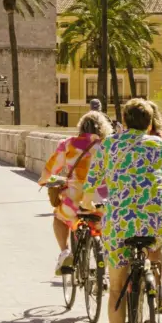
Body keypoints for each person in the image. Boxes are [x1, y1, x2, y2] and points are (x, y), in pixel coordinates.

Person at [82, 98, 162, 323]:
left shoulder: (110, 144)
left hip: (120, 223)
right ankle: (160, 289)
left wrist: (87, 204)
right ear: (150, 123)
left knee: (116, 286)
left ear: (123, 122)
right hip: (156, 218)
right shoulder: (158, 144)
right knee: (156, 244)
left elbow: (92, 181)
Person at [38, 110, 112, 275]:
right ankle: (104, 267)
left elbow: (49, 169)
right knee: (106, 225)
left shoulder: (68, 144)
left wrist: (44, 180)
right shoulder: (108, 146)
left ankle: (65, 252)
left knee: (59, 216)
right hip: (101, 202)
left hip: (74, 201)